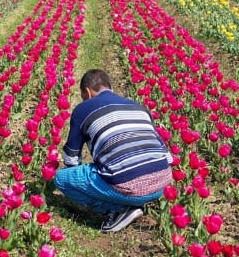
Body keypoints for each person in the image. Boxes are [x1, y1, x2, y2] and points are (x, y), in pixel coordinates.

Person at [55, 69, 174, 232]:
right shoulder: (139, 108)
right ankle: (132, 202)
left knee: (62, 178)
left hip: (128, 188)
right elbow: (167, 157)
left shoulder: (83, 109)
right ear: (111, 88)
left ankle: (118, 209)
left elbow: (71, 158)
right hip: (162, 185)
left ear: (87, 92)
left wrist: (79, 178)